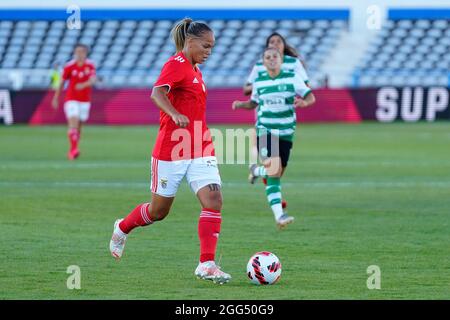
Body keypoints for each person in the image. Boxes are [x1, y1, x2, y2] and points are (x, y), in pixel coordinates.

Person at [109, 18, 231, 284]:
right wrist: (174, 114)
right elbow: (156, 93)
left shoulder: (195, 70)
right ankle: (122, 227)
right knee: (158, 212)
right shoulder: (175, 65)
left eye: (212, 47)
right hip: (171, 149)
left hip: (200, 146)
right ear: (190, 42)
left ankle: (206, 264)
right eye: (205, 45)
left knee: (214, 201)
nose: (209, 51)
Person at [232, 47, 315, 229]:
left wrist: (304, 102)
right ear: (263, 61)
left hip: (286, 134)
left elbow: (311, 96)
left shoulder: (292, 78)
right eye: (267, 57)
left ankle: (255, 171)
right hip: (265, 131)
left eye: (274, 56)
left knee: (276, 173)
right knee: (274, 169)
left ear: (281, 60)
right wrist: (241, 104)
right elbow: (254, 103)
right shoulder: (259, 82)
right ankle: (279, 215)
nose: (271, 59)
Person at [243, 32, 310, 213]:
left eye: (278, 41)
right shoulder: (260, 65)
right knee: (272, 163)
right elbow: (246, 88)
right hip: (265, 113)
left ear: (283, 45)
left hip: (285, 116)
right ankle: (277, 203)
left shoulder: (294, 64)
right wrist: (261, 84)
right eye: (271, 42)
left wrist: (298, 96)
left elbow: (305, 84)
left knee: (278, 170)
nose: (275, 44)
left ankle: (258, 172)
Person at [52, 44, 96, 160]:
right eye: (77, 52)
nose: (79, 54)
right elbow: (62, 82)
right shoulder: (69, 66)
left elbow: (92, 80)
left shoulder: (90, 65)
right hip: (71, 99)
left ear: (86, 53)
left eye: (82, 52)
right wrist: (56, 97)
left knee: (79, 126)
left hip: (85, 100)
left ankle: (74, 147)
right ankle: (73, 150)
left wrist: (83, 84)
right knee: (73, 122)